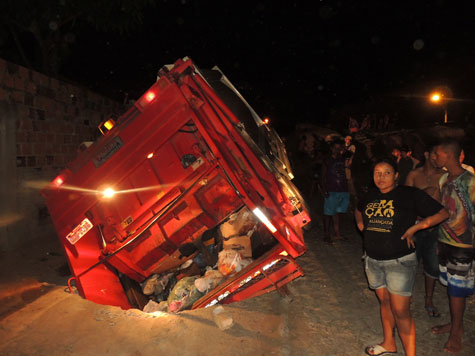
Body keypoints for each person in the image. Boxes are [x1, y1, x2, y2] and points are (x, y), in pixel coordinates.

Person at [355, 158, 448, 356]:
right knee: (385, 303)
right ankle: (389, 343)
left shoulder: (409, 194)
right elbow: (358, 208)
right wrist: (362, 225)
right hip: (373, 260)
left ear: (396, 175)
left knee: (401, 311)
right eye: (377, 173)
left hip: (399, 261)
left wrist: (416, 227)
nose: (381, 177)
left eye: (387, 172)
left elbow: (442, 213)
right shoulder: (370, 195)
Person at [431, 139, 475, 354]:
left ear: (448, 155)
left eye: (436, 154)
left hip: (464, 244)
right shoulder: (443, 179)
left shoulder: (471, 181)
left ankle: (456, 332)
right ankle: (455, 324)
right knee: (452, 288)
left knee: (458, 290)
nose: (433, 157)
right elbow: (443, 212)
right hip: (445, 240)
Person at [405, 147, 446, 317]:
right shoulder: (414, 174)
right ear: (427, 154)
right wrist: (425, 194)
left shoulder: (444, 176)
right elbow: (405, 199)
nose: (437, 157)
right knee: (408, 263)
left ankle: (429, 299)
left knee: (433, 265)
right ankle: (406, 297)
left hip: (435, 227)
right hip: (414, 226)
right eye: (434, 153)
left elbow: (447, 205)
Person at [321, 139, 349, 244]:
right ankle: (326, 235)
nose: (337, 150)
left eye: (339, 148)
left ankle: (337, 233)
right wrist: (324, 189)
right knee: (328, 213)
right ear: (331, 148)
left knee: (337, 212)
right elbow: (323, 176)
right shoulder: (327, 160)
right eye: (335, 148)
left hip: (342, 189)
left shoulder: (342, 160)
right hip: (331, 189)